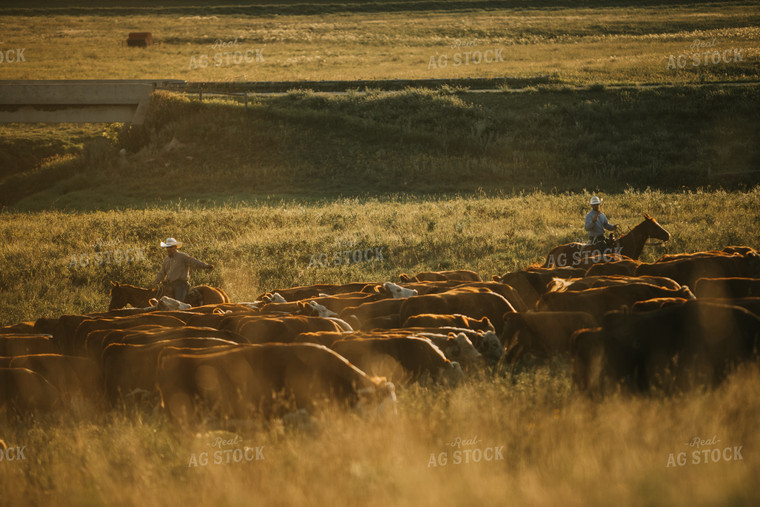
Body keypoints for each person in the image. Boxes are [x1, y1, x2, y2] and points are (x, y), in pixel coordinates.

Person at [153, 237, 214, 303]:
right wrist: (156, 282)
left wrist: (205, 266)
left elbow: (194, 262)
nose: (168, 249)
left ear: (175, 247)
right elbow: (162, 272)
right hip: (169, 284)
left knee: (178, 302)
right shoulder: (166, 260)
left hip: (181, 284)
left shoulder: (182, 257)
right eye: (167, 247)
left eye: (170, 247)